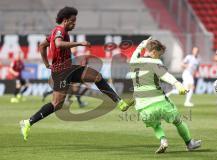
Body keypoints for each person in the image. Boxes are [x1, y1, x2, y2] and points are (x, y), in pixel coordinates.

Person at [19, 6, 134, 141]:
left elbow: (42, 46)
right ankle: (28, 122)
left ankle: (119, 102)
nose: (74, 24)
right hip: (61, 72)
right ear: (66, 20)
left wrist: (46, 63)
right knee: (57, 104)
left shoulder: (55, 32)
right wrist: (80, 43)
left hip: (69, 68)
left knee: (96, 76)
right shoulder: (59, 30)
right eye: (73, 21)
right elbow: (59, 44)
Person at [129, 37, 201, 153]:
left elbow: (137, 51)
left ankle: (163, 140)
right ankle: (189, 143)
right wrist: (177, 84)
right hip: (159, 102)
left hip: (142, 107)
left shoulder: (133, 61)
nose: (159, 57)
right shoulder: (155, 62)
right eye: (159, 54)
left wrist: (142, 44)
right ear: (153, 52)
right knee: (177, 121)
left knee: (156, 125)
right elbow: (165, 75)